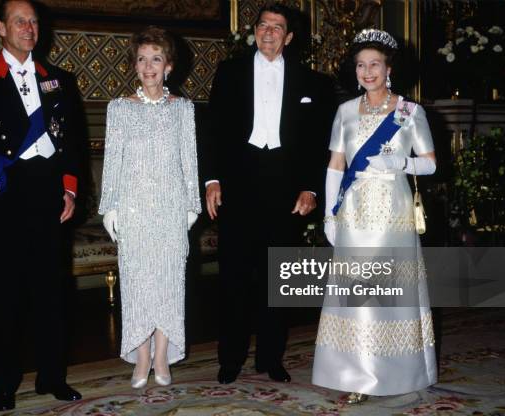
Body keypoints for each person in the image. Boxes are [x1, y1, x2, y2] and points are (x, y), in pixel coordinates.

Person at [0, 0, 82, 411]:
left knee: (50, 294)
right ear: (0, 28)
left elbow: (73, 142)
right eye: (20, 21)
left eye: (34, 21)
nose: (29, 28)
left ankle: (52, 376)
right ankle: (3, 385)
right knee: (6, 298)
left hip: (47, 195)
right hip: (4, 198)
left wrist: (70, 189)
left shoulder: (59, 80)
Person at [204, 3, 336, 384]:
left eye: (277, 28)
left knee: (278, 277)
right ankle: (230, 358)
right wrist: (212, 179)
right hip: (237, 184)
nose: (268, 32)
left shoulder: (314, 83)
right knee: (233, 276)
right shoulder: (229, 72)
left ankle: (271, 357)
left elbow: (318, 144)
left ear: (288, 37)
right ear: (254, 31)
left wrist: (311, 188)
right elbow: (212, 130)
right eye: (263, 25)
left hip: (285, 187)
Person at [311, 29, 438, 404]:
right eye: (361, 65)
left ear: (389, 69)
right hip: (354, 213)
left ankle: (399, 372)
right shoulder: (345, 112)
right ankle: (356, 375)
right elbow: (335, 166)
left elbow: (430, 165)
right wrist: (330, 215)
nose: (367, 72)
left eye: (375, 64)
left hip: (393, 215)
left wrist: (400, 161)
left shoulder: (410, 113)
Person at [98, 26, 201, 389]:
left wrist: (192, 206)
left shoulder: (183, 109)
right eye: (142, 59)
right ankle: (140, 356)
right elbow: (113, 161)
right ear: (134, 66)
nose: (148, 66)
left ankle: (161, 355)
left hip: (172, 207)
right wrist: (109, 207)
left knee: (169, 284)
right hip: (134, 208)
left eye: (156, 58)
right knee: (138, 283)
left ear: (168, 65)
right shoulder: (120, 108)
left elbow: (189, 160)